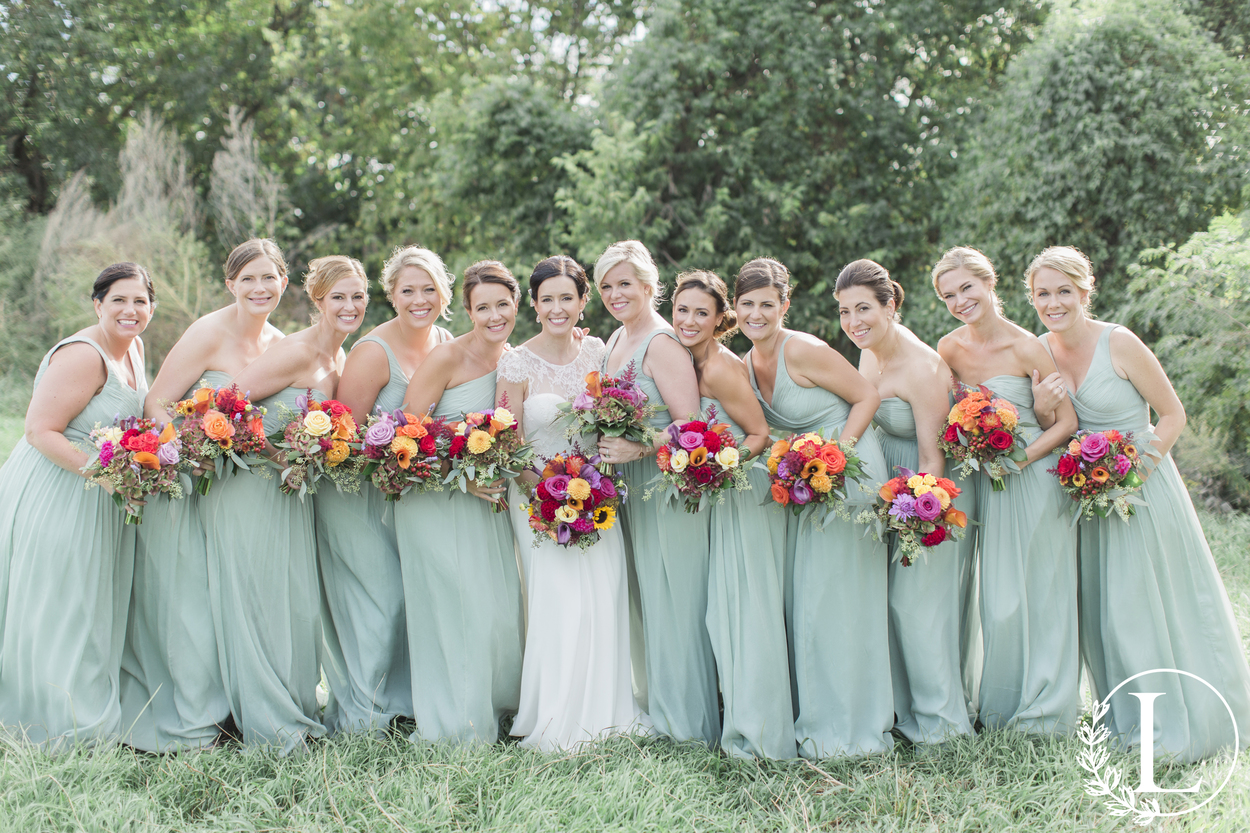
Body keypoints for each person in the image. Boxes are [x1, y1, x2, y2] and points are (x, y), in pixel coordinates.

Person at [1028, 245, 1250, 760]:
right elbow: (1056, 431)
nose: (1054, 302)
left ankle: (1188, 721)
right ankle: (1125, 721)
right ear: (1032, 298)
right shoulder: (1038, 350)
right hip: (1085, 496)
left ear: (1085, 292)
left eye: (1065, 291)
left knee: (1148, 603)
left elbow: (1172, 416)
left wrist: (1131, 479)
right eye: (1043, 293)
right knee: (1104, 610)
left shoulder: (1119, 342)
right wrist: (1041, 407)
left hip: (1141, 489)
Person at [120, 239, 287, 752]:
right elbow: (158, 401)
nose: (260, 288)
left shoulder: (281, 341)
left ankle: (242, 703)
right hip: (198, 481)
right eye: (249, 278)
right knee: (195, 597)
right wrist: (197, 448)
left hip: (251, 491)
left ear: (284, 281)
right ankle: (199, 711)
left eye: (269, 278)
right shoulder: (209, 331)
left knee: (240, 597)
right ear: (230, 283)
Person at [203, 254, 368, 753]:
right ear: (317, 301)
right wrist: (279, 456)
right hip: (252, 486)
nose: (350, 305)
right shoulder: (297, 352)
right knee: (257, 600)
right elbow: (227, 408)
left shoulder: (339, 357)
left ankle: (292, 705)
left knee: (290, 603)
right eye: (338, 297)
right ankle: (268, 724)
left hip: (292, 493)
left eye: (357, 296)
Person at [735, 257, 891, 758]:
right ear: (735, 309)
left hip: (849, 473)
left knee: (837, 600)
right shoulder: (744, 361)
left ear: (784, 305)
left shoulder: (801, 349)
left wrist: (837, 455)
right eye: (747, 304)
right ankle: (816, 713)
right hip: (808, 481)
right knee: (811, 600)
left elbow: (866, 398)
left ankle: (850, 725)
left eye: (767, 304)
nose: (756, 314)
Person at [497, 255, 649, 751]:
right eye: (547, 299)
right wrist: (544, 494)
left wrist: (590, 489)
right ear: (534, 306)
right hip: (537, 499)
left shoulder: (599, 354)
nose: (558, 308)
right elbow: (507, 443)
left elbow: (614, 418)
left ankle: (608, 709)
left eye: (568, 297)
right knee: (557, 601)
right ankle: (555, 715)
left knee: (604, 595)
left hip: (599, 495)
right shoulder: (516, 362)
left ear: (584, 302)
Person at [0, 262, 153, 749]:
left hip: (100, 491)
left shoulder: (134, 347)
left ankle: (83, 701)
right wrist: (106, 475)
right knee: (62, 602)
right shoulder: (84, 356)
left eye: (141, 302)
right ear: (97, 304)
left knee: (89, 601)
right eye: (119, 301)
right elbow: (38, 429)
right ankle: (52, 719)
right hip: (59, 487)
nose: (131, 311)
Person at [932, 246, 1081, 734]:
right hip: (983, 483)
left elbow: (1066, 422)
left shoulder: (1026, 347)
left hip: (1032, 478)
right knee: (997, 598)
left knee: (1037, 592)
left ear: (989, 283)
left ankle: (1046, 708)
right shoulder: (948, 348)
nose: (960, 301)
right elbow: (946, 413)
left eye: (966, 288)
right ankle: (999, 709)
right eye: (949, 295)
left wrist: (1022, 458)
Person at [836, 259, 975, 744]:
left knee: (917, 607)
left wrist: (912, 515)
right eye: (844, 311)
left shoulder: (923, 368)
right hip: (882, 493)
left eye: (864, 309)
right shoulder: (869, 352)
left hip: (922, 497)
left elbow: (933, 457)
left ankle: (941, 725)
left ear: (890, 305)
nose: (854, 322)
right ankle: (899, 709)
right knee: (885, 605)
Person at [317, 246, 454, 735]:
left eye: (428, 290)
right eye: (407, 290)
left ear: (443, 292)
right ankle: (368, 710)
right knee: (382, 599)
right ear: (391, 295)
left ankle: (407, 702)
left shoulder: (445, 339)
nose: (419, 300)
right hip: (355, 493)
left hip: (410, 494)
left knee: (413, 596)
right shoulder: (372, 352)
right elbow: (345, 437)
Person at [394, 261, 524, 745]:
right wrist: (458, 477)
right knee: (453, 608)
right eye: (482, 307)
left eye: (502, 305)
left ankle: (490, 706)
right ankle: (458, 724)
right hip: (438, 497)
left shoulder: (514, 359)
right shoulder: (446, 358)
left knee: (490, 609)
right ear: (467, 311)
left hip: (487, 500)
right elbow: (407, 433)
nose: (494, 316)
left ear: (516, 306)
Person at [594, 241, 717, 747]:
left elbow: (694, 429)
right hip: (627, 487)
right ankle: (657, 707)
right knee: (647, 596)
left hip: (664, 485)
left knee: (676, 597)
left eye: (625, 283)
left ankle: (688, 723)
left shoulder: (662, 344)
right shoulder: (615, 339)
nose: (615, 293)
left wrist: (638, 448)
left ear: (649, 286)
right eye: (606, 285)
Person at [671, 269, 795, 759]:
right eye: (682, 310)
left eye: (702, 313)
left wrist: (717, 468)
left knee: (746, 608)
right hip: (723, 492)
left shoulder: (719, 368)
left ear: (721, 318)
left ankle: (761, 733)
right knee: (725, 610)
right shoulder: (685, 360)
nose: (689, 320)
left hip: (745, 490)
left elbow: (758, 434)